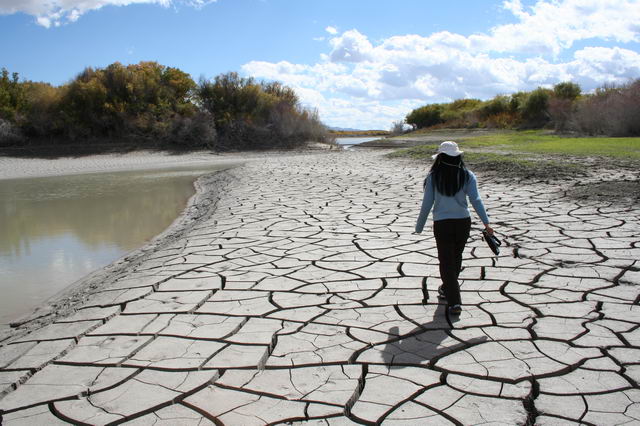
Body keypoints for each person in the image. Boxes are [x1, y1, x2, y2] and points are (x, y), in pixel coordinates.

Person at [414, 141, 494, 315]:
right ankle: (447, 289)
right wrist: (486, 223)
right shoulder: (467, 175)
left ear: (440, 158)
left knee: (446, 262)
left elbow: (427, 203)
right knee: (456, 258)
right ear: (458, 156)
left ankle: (454, 302)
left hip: (442, 224)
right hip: (462, 222)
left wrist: (419, 226)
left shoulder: (433, 177)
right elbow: (476, 200)